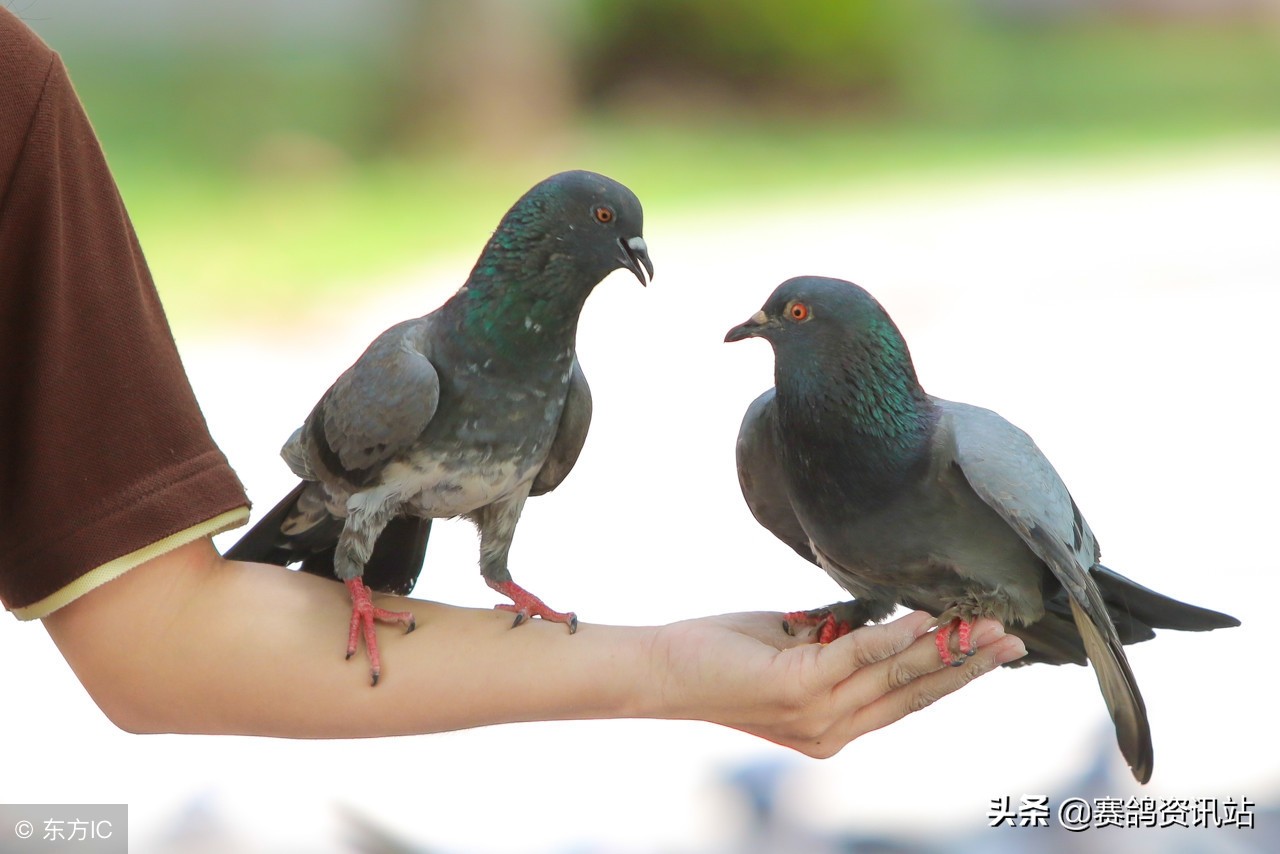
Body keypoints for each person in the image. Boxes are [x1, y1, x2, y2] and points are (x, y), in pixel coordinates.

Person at [0, 8, 1025, 757]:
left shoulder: (14, 97)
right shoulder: (415, 366)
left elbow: (160, 637)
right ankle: (355, 577)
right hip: (352, 482)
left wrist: (668, 668)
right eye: (611, 236)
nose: (628, 253)